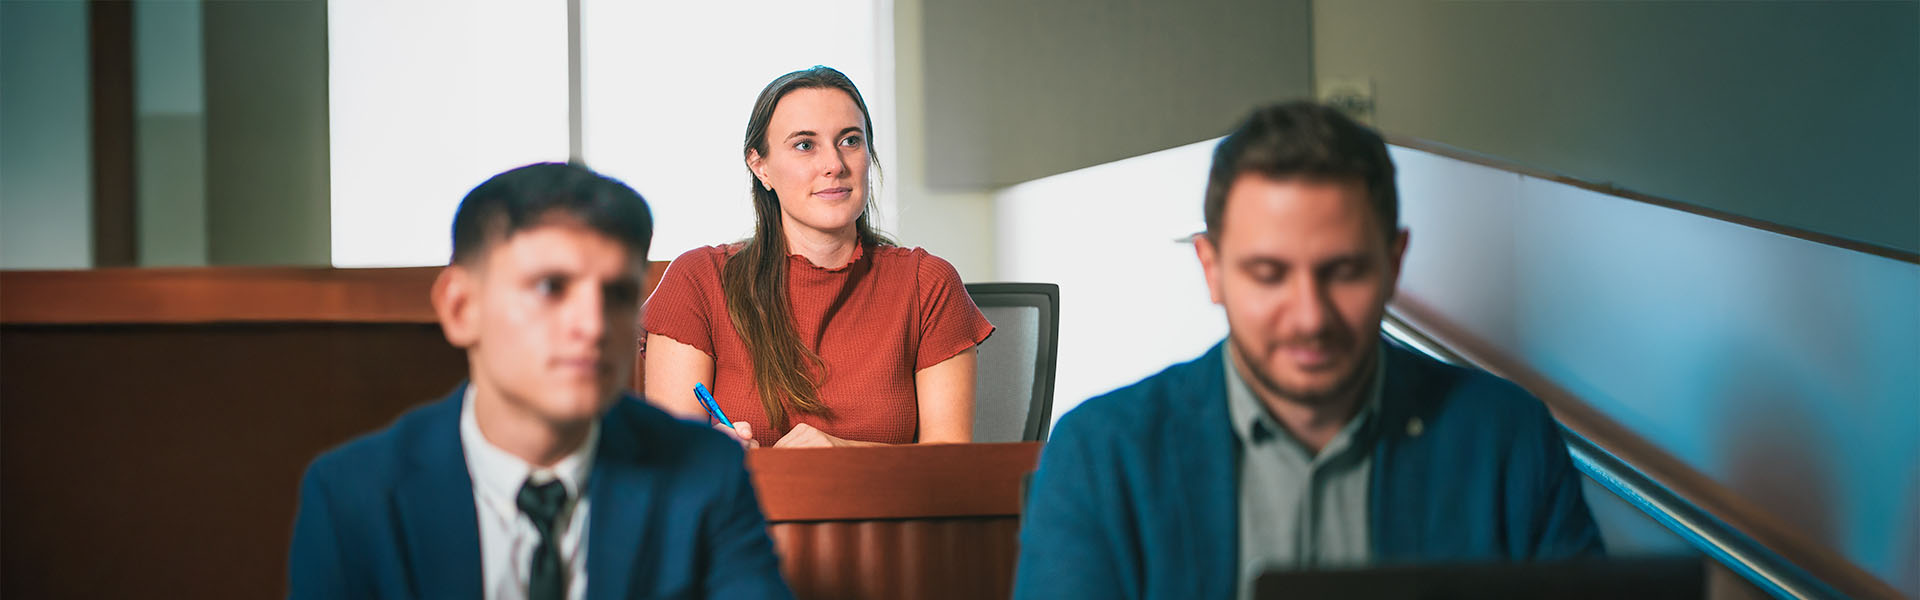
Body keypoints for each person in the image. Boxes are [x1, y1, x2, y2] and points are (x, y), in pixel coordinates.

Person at [1012, 102, 1603, 600]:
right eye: (1269, 274)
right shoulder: (1099, 456)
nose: (1310, 317)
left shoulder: (1509, 440)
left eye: (1343, 271)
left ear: (1394, 263)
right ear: (1211, 270)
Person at [288, 163, 791, 599]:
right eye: (551, 288)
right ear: (461, 307)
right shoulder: (354, 495)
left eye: (616, 294)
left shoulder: (704, 474)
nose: (593, 325)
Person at [643, 66, 994, 449]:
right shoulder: (698, 281)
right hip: (744, 509)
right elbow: (668, 468)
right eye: (805, 145)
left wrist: (840, 453)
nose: (835, 165)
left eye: (849, 141)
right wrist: (716, 458)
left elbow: (950, 466)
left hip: (886, 510)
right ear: (760, 166)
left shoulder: (928, 283)